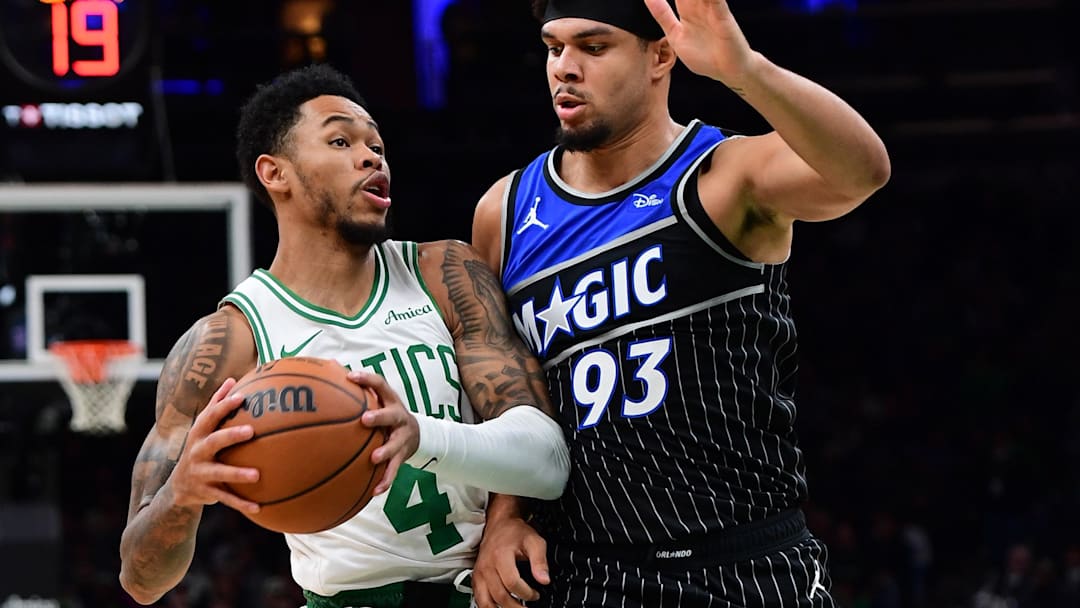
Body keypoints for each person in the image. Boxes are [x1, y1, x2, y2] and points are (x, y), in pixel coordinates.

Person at [469, 1, 891, 606]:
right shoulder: (504, 212)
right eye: (553, 47)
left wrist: (746, 71)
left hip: (745, 561)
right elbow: (505, 389)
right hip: (589, 571)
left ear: (660, 54)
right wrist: (502, 517)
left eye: (593, 47)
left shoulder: (723, 174)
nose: (564, 67)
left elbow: (862, 171)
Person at [118, 64, 571, 608]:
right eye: (340, 140)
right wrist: (182, 495)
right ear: (275, 173)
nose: (371, 156)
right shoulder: (228, 341)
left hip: (483, 592)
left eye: (376, 145)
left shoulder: (445, 273)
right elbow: (141, 580)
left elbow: (544, 454)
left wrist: (504, 518)